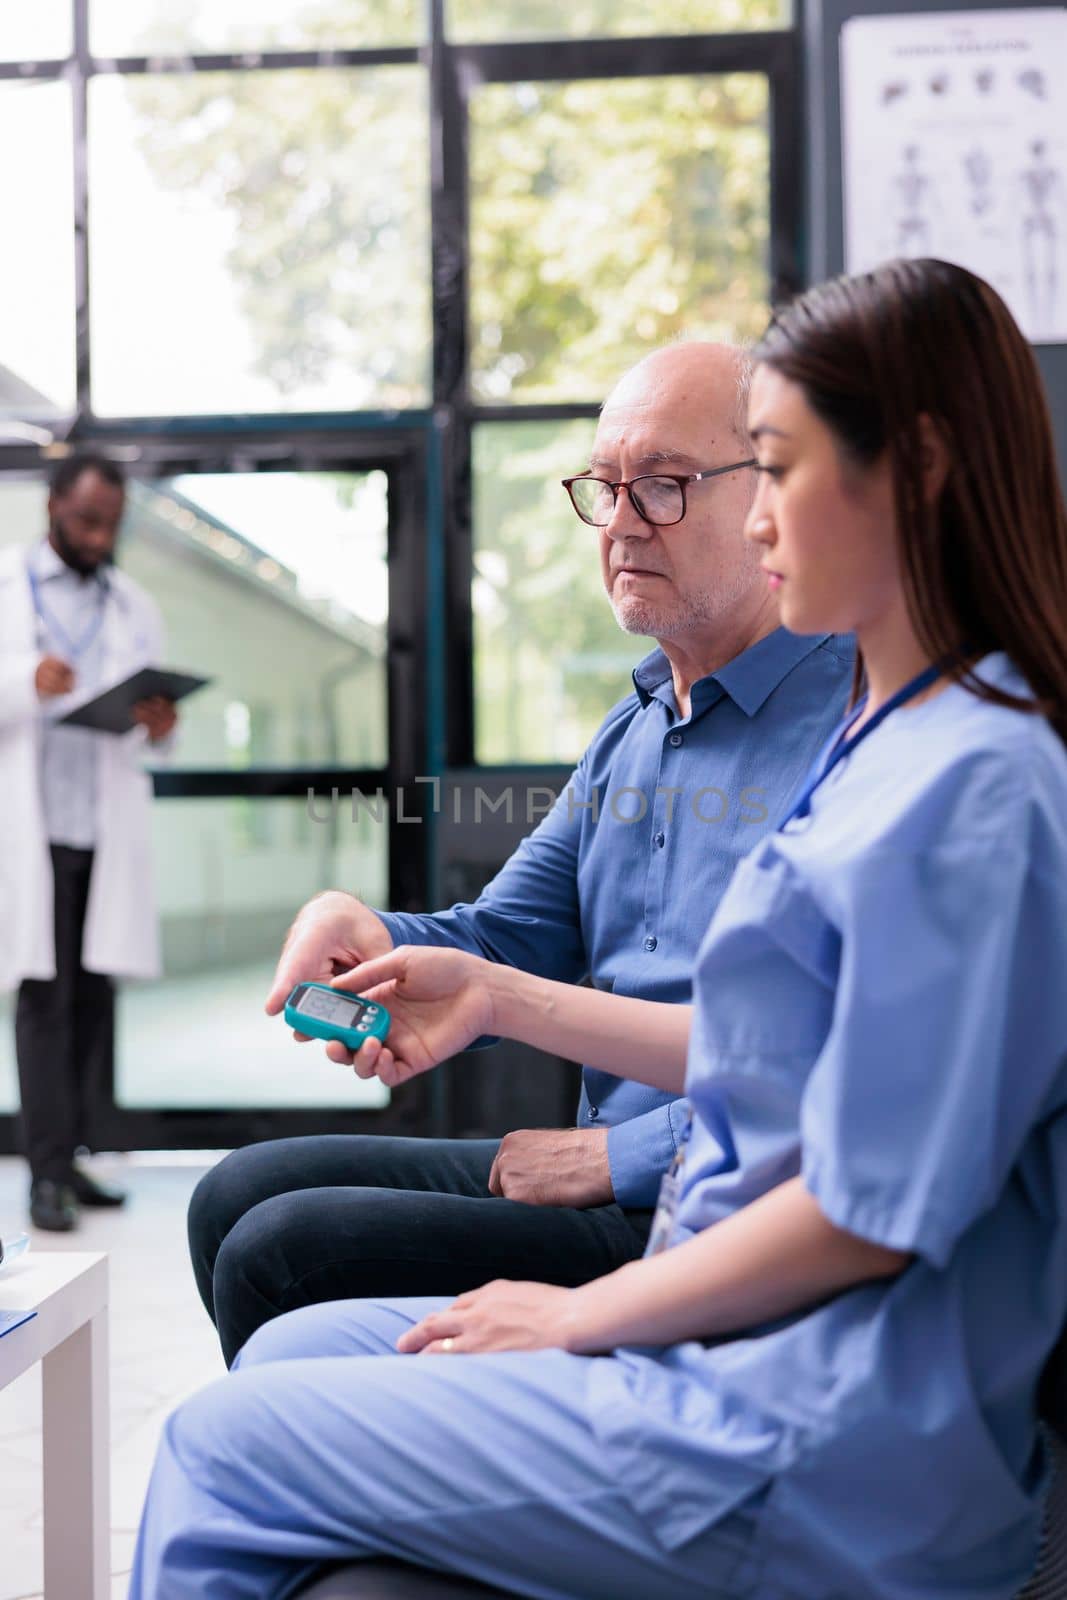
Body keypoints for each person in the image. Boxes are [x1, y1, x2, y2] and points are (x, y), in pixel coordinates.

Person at [131, 258, 1067, 1599]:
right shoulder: (863, 734)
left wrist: (575, 1311)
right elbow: (762, 1035)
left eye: (768, 472)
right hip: (734, 1344)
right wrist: (487, 992)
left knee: (216, 1446)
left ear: (910, 470)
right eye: (604, 490)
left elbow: (870, 1211)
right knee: (288, 1355)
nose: (739, 531)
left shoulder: (973, 779)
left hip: (793, 1423)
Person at [188, 341, 854, 1365]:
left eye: (664, 486)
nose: (622, 523)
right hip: (601, 1167)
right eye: (603, 487)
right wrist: (369, 936)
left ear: (770, 494)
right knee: (232, 1193)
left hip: (718, 1208)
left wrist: (619, 1156)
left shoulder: (853, 723)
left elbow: (844, 1067)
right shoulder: (634, 725)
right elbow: (503, 940)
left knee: (281, 1249)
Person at [0, 453, 177, 1231]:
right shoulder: (7, 584)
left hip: (100, 830)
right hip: (31, 825)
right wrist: (19, 682)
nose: (100, 537)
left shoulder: (132, 603)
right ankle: (43, 1176)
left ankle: (71, 1157)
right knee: (43, 999)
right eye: (85, 522)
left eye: (110, 524)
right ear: (52, 509)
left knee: (92, 998)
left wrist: (161, 726)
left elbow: (153, 725)